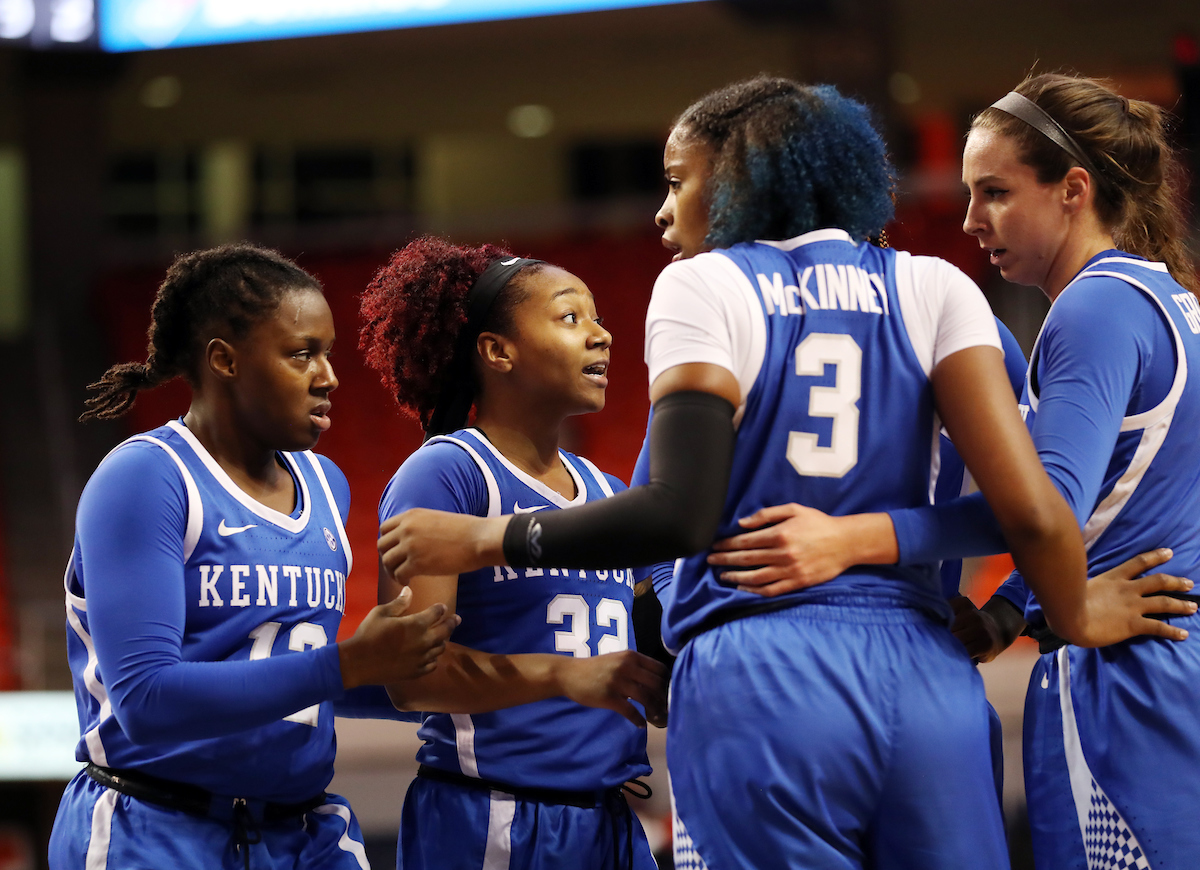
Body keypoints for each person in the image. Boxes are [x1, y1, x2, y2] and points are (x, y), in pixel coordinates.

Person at [375, 76, 1185, 869]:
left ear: (737, 180)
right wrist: (1026, 609)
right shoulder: (936, 286)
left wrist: (487, 542)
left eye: (676, 182)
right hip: (929, 677)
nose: (662, 210)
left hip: (758, 675)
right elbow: (1034, 511)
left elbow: (672, 516)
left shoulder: (706, 285)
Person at [711, 73, 1200, 869]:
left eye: (996, 193)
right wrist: (1010, 610)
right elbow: (1121, 501)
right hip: (1170, 664)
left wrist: (853, 539)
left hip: (1125, 681)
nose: (971, 220)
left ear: (1073, 189)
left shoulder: (1093, 308)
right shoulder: (1167, 297)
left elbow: (1043, 510)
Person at [49, 244, 459, 870]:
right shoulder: (146, 478)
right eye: (302, 354)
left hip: (301, 831)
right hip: (156, 829)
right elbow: (147, 701)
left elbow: (298, 680)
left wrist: (442, 678)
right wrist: (348, 663)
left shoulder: (326, 484)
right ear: (225, 360)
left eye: (328, 353)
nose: (328, 376)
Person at [359, 236, 668, 870]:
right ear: (498, 351)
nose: (601, 335)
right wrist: (564, 676)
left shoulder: (606, 490)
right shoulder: (447, 473)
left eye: (600, 317)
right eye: (570, 317)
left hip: (609, 816)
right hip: (496, 815)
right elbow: (411, 678)